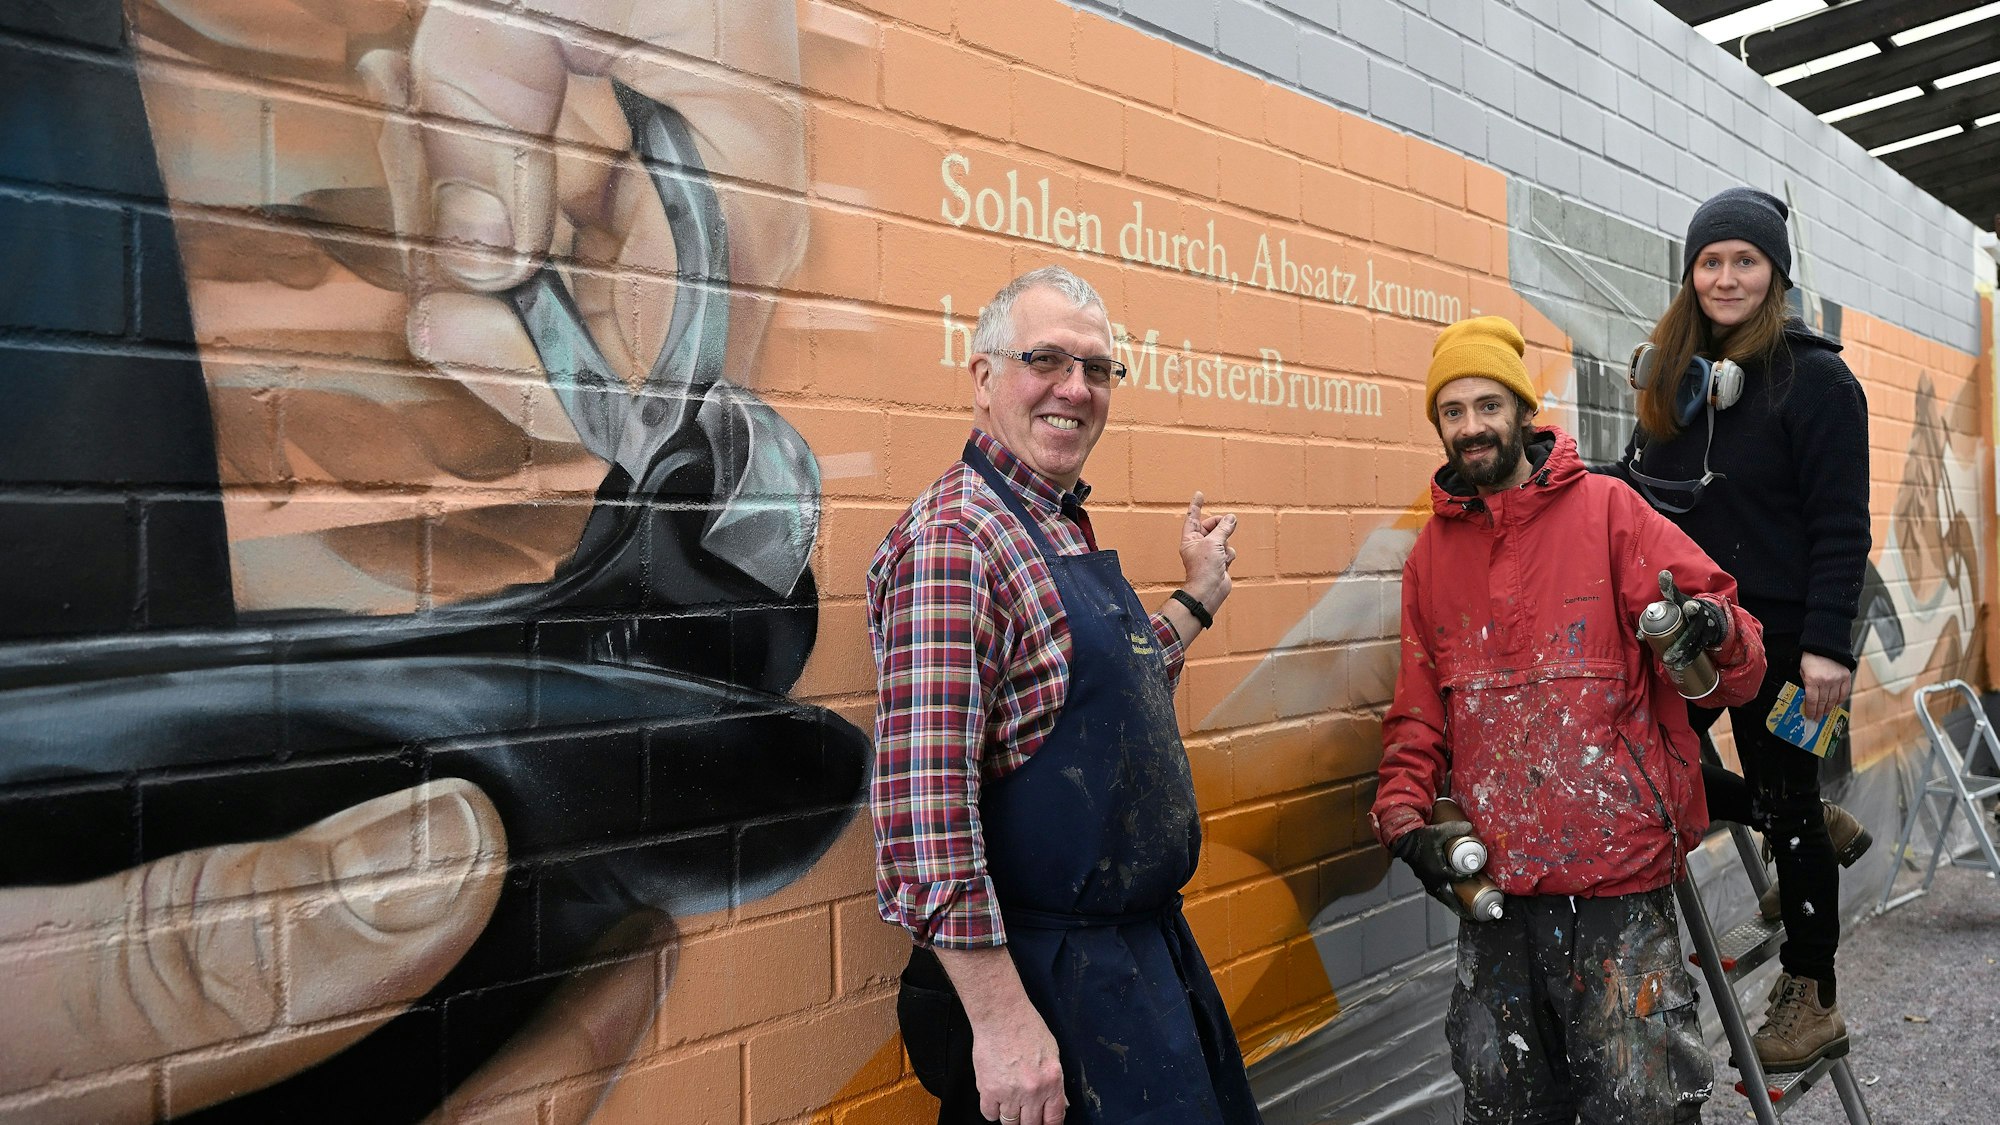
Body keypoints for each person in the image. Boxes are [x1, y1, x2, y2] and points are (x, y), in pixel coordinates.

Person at [867, 266, 1262, 1125]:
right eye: (1046, 359)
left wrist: (1196, 600)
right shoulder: (956, 542)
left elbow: (1092, 697)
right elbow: (921, 818)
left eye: (1098, 368)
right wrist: (1005, 1025)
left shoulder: (1047, 518)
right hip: (1049, 991)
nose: (1076, 389)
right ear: (982, 377)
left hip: (1134, 968)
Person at [1373, 316, 1768, 1124]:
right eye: (1452, 411)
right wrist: (1404, 817)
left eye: (1488, 404)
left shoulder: (1611, 513)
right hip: (1499, 896)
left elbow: (1739, 651)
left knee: (1646, 1106)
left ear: (1523, 411)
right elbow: (1418, 712)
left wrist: (1713, 629)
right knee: (1506, 1101)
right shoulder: (1430, 557)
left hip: (1620, 885)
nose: (1472, 425)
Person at [1602, 187, 1872, 1072]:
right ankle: (1782, 811)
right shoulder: (1673, 380)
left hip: (1801, 648)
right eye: (1710, 261)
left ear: (1775, 275)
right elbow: (1643, 495)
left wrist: (1833, 648)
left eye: (1744, 261)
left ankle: (1812, 994)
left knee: (1792, 804)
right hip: (1697, 639)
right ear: (1689, 273)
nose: (1725, 278)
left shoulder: (1820, 381)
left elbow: (1843, 528)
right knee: (1656, 767)